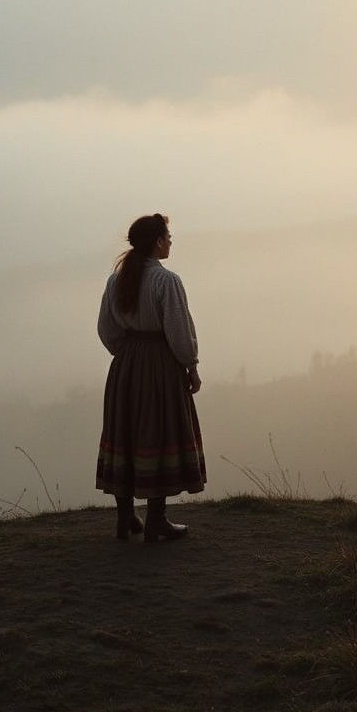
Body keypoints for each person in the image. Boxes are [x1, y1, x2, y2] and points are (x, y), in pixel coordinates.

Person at [96, 213, 206, 542]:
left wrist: (127, 354)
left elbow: (106, 329)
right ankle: (156, 520)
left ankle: (125, 518)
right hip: (160, 364)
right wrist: (191, 366)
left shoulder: (115, 281)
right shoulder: (166, 281)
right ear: (158, 242)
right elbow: (179, 330)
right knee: (158, 432)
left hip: (126, 365)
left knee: (126, 432)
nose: (171, 241)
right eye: (167, 237)